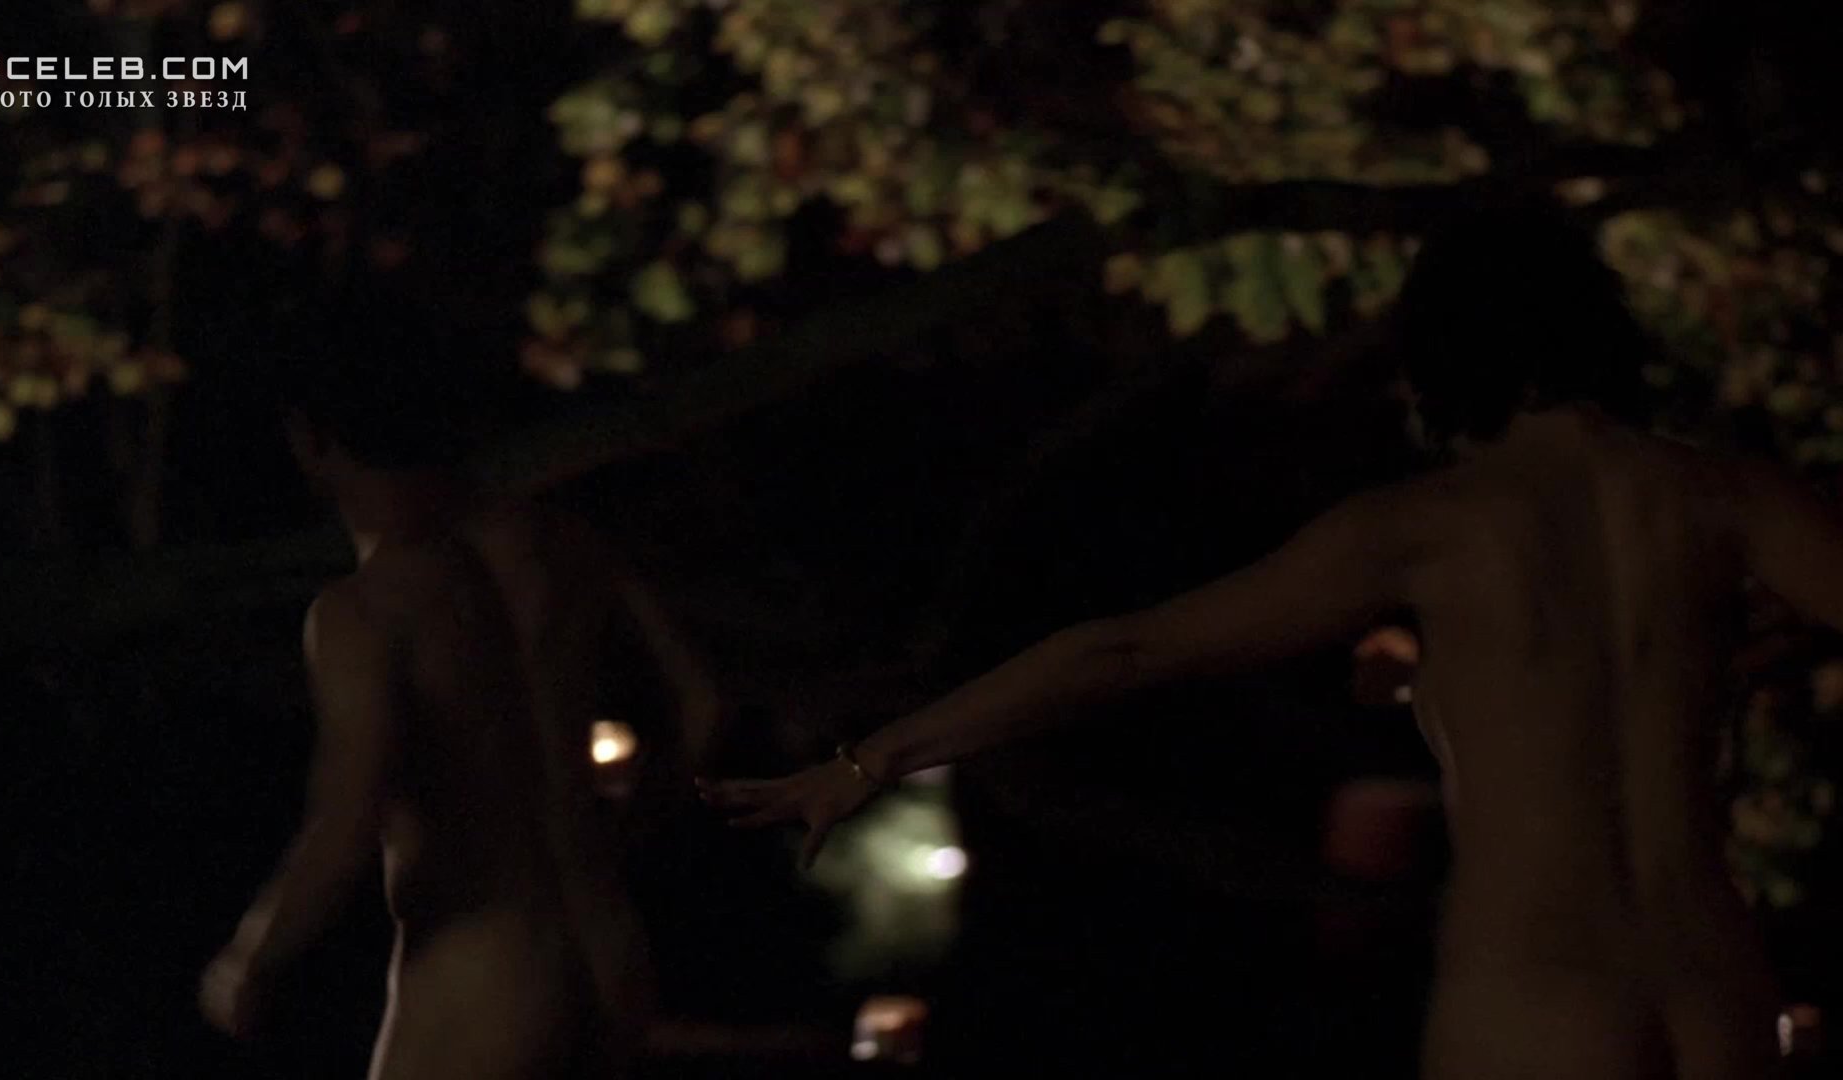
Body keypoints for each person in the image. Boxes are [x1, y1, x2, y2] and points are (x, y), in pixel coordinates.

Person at [703, 202, 1843, 1079]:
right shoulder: (1732, 501)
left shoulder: (1429, 526)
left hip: (1540, 986)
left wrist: (871, 759)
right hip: (1717, 985)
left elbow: (1123, 652)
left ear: (1445, 353)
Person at [199, 290, 716, 1078]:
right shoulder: (564, 544)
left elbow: (349, 814)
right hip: (610, 945)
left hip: (482, 968)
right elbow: (703, 703)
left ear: (310, 437)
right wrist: (611, 840)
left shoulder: (369, 608)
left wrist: (250, 956)